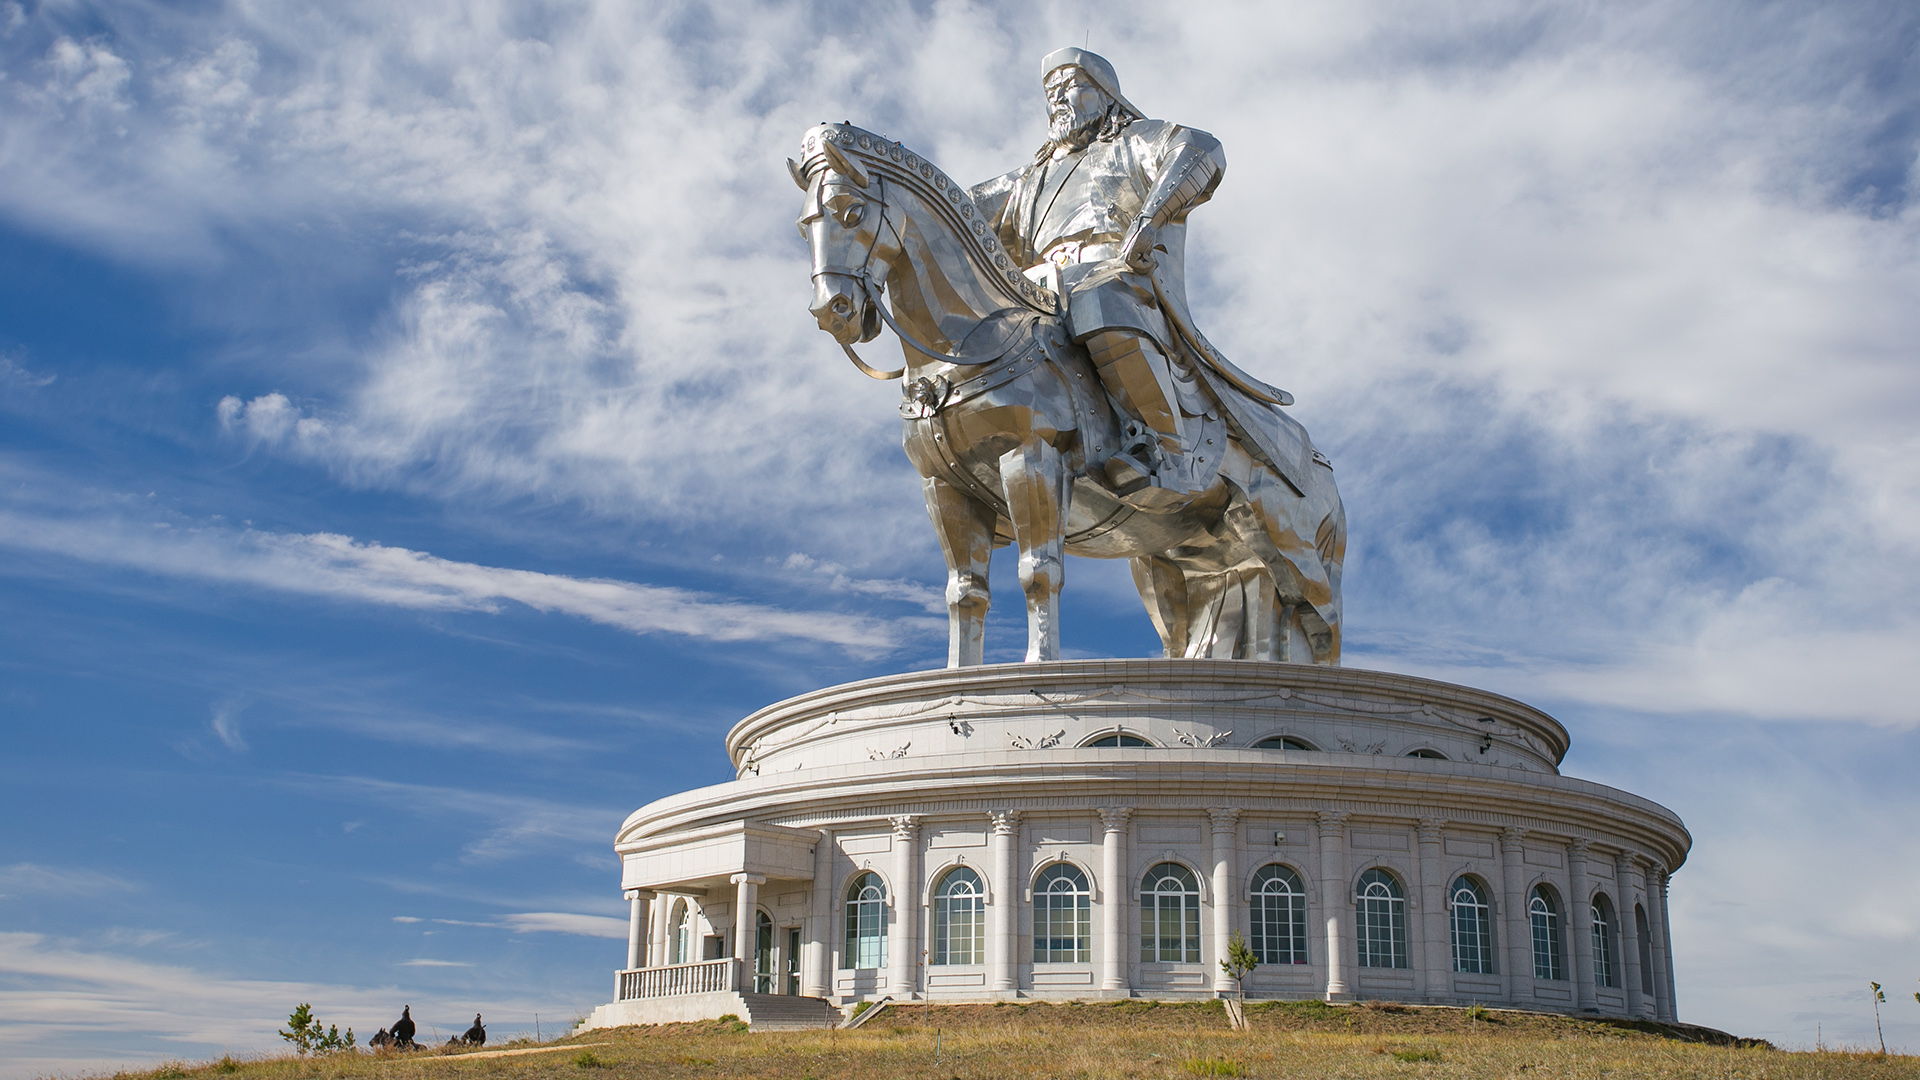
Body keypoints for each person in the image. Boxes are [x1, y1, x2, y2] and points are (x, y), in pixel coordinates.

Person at [969, 48, 1230, 503]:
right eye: (1051, 92)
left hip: (1113, 274)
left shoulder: (1132, 142)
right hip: (1036, 288)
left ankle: (1166, 449)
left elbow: (1200, 148)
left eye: (1071, 85)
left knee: (1097, 299)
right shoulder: (1028, 180)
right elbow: (956, 208)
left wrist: (1150, 219)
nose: (1058, 99)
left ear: (1106, 95)